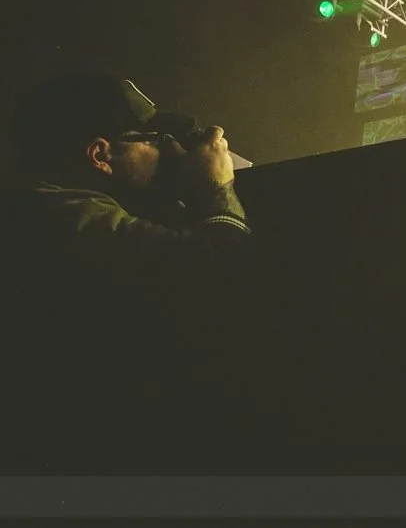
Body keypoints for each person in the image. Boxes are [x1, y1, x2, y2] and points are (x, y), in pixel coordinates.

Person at [0, 71, 258, 473]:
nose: (171, 149)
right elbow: (220, 272)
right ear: (101, 155)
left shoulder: (42, 204)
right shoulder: (59, 215)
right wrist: (213, 188)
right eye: (155, 140)